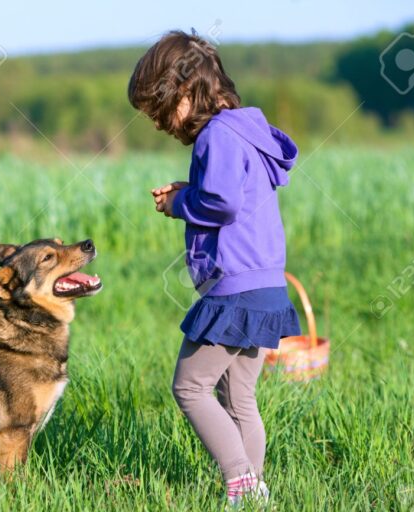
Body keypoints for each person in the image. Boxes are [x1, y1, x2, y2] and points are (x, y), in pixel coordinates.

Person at [128, 30, 302, 506]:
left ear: (185, 91)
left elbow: (222, 204)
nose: (161, 124)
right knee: (239, 397)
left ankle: (239, 479)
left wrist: (181, 200)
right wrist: (191, 188)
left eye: (160, 111)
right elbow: (236, 196)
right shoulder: (244, 131)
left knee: (189, 386)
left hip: (235, 290)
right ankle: (255, 490)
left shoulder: (216, 136)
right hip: (266, 286)